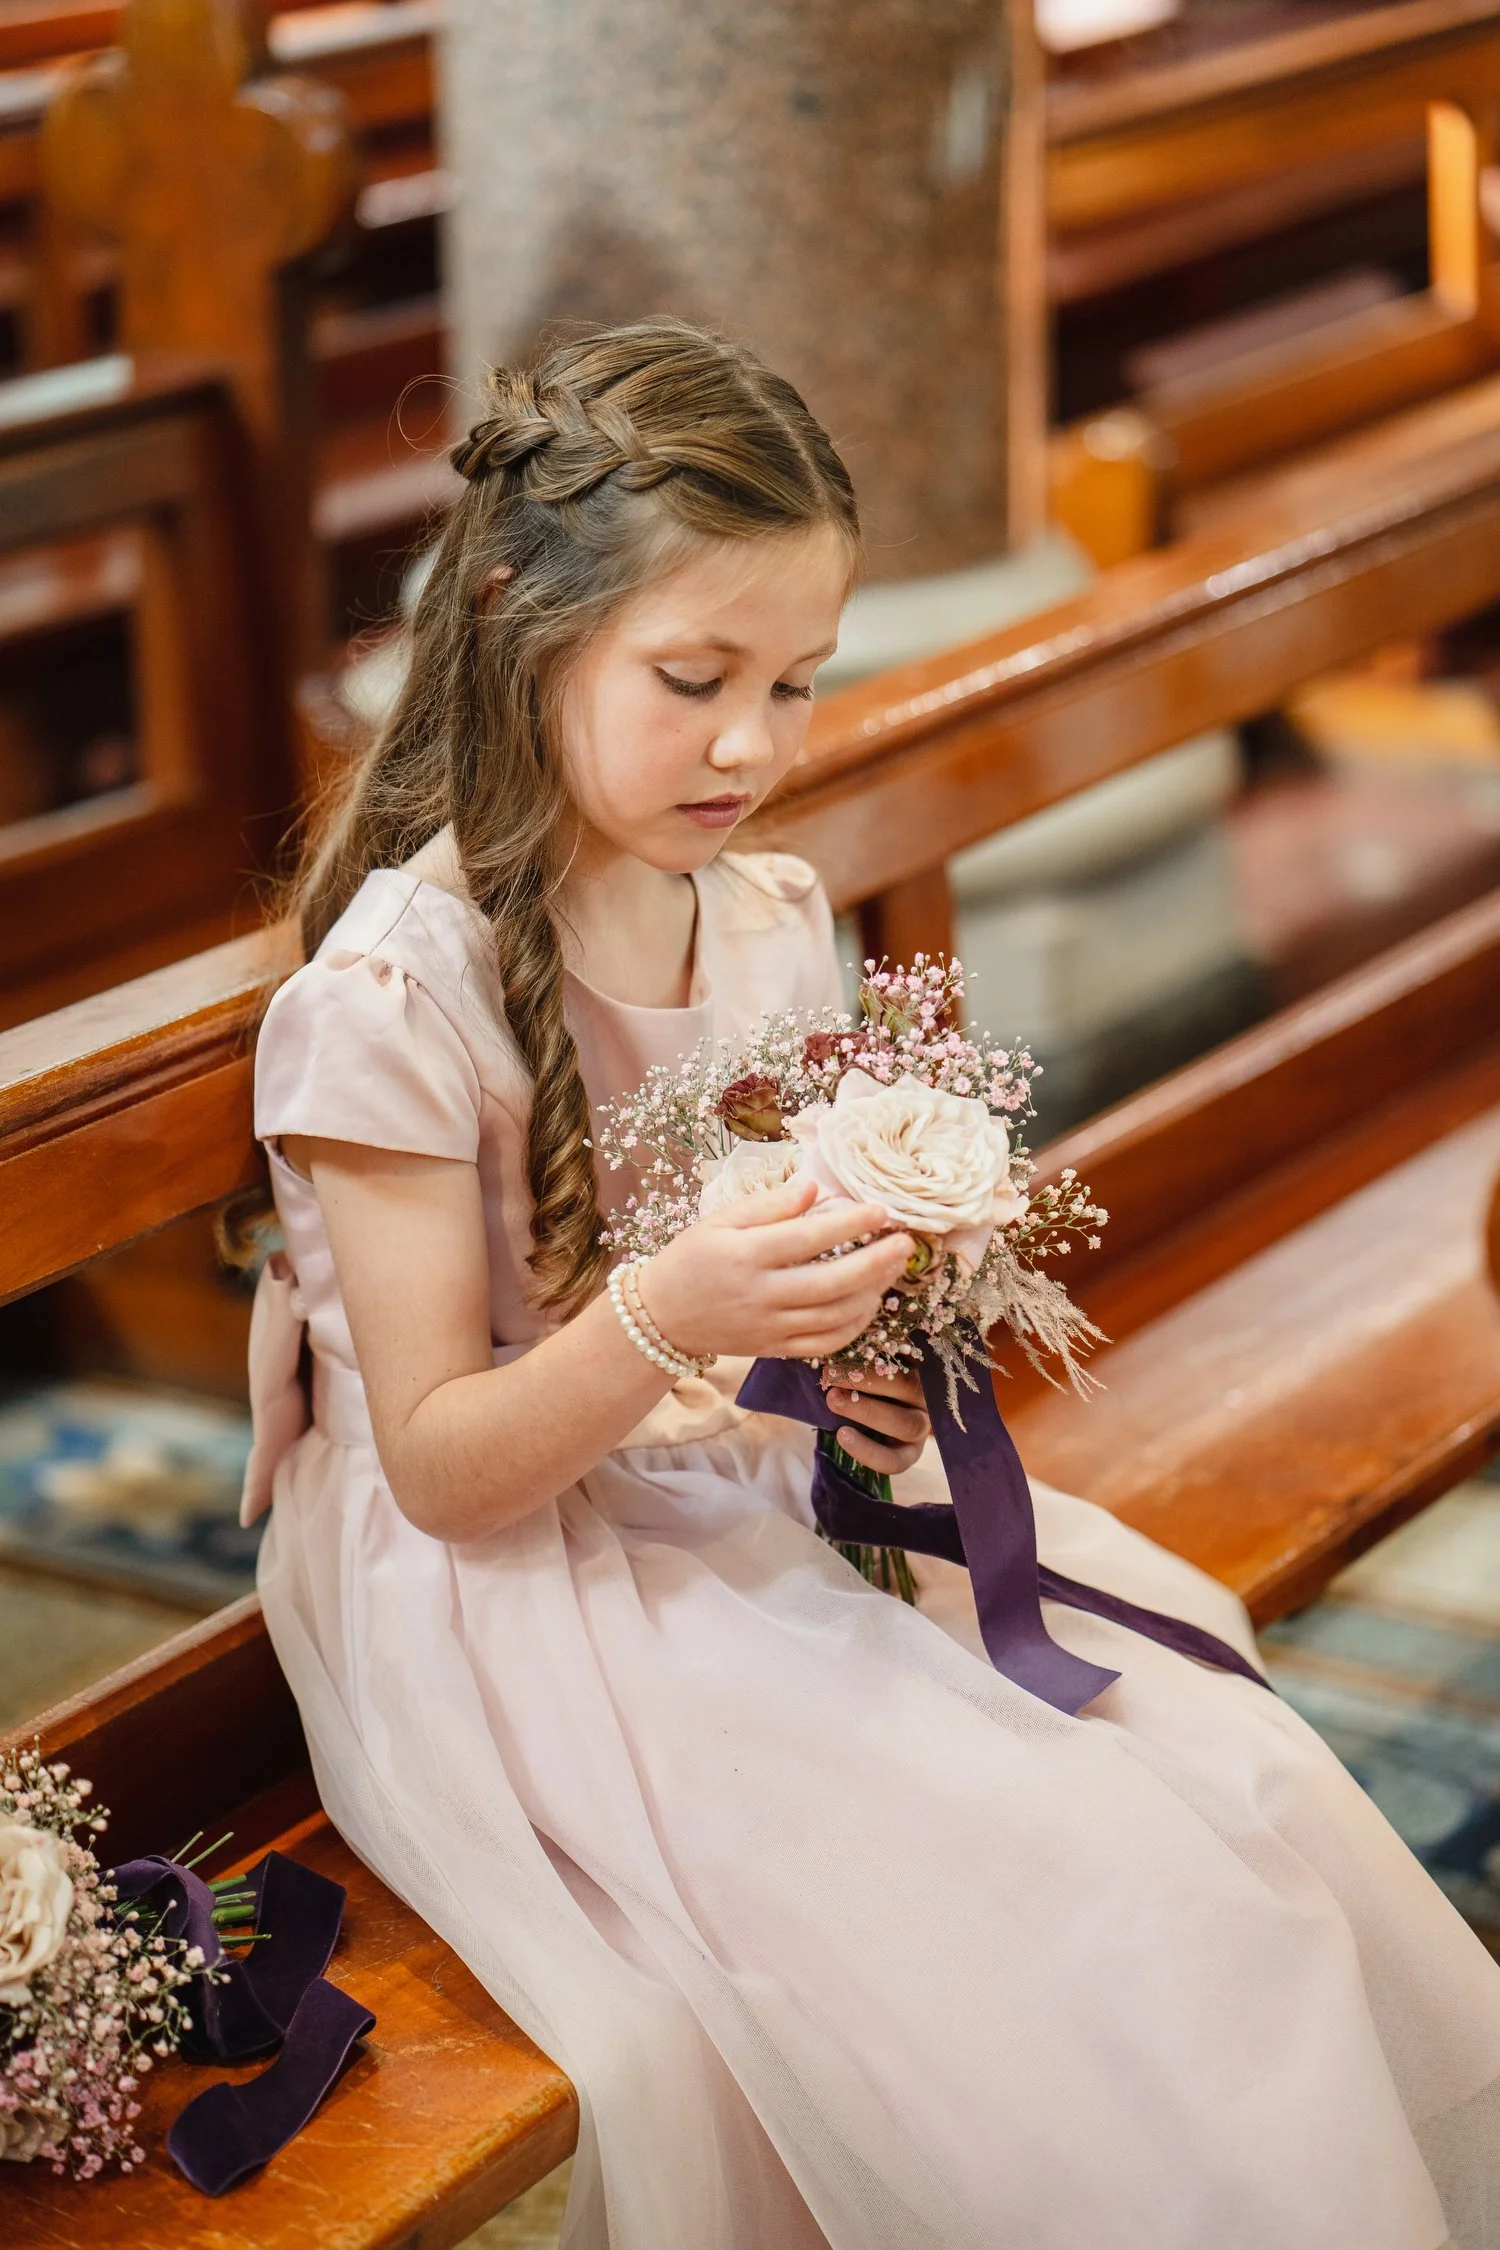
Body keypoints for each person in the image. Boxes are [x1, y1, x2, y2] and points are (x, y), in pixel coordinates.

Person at [246, 319, 1500, 2250]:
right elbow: (439, 1465)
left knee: (1231, 1780)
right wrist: (679, 1311)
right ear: (512, 621)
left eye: (797, 683)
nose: (753, 745)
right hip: (527, 1585)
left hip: (736, 1493)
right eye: (695, 680)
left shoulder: (763, 913)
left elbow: (774, 1323)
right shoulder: (394, 999)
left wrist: (860, 1370)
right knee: (1101, 1900)